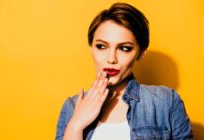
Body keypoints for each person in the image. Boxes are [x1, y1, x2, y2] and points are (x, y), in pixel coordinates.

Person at [55, 2, 193, 140]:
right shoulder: (72, 107)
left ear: (140, 53)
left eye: (124, 48)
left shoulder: (166, 102)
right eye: (101, 46)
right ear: (91, 48)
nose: (111, 59)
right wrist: (75, 126)